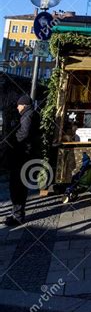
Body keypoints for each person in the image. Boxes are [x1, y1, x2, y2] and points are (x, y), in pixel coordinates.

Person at [3, 94, 40, 226]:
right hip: (25, 156)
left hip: (21, 155)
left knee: (17, 186)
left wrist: (12, 141)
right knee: (19, 185)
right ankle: (17, 213)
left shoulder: (27, 115)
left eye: (19, 105)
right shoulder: (31, 114)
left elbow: (24, 133)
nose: (17, 107)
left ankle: (17, 215)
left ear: (23, 105)